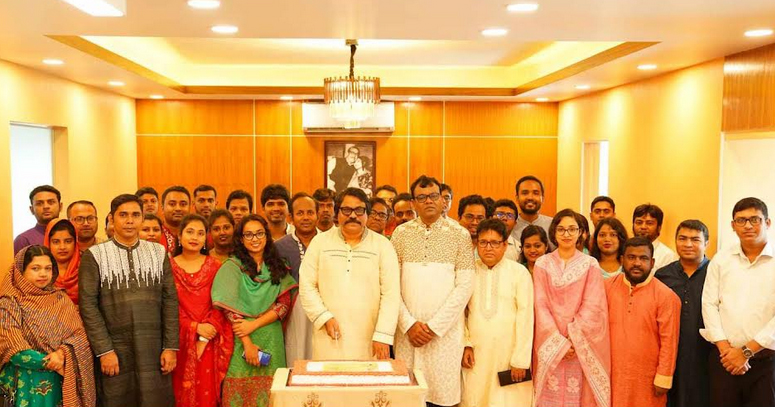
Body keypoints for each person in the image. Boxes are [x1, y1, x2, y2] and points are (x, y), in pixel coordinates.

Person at [78, 194, 179, 407]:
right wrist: (104, 351)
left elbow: (170, 300)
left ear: (142, 218)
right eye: (123, 215)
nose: (130, 221)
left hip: (154, 348)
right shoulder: (95, 255)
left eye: (135, 215)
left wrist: (170, 347)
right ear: (111, 219)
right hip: (115, 350)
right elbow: (88, 306)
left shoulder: (158, 252)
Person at [392, 175, 475, 407]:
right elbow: (390, 285)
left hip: (444, 336)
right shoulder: (400, 234)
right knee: (407, 397)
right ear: (413, 203)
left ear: (442, 200)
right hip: (407, 334)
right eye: (422, 197)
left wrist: (434, 327)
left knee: (441, 397)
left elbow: (465, 286)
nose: (428, 201)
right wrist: (409, 324)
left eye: (433, 196)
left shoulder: (459, 235)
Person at [300, 188, 400, 360]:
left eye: (359, 210)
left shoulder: (382, 246)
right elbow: (307, 285)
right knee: (329, 376)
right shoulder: (320, 242)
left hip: (370, 338)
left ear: (367, 214)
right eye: (346, 210)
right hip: (328, 336)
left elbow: (391, 294)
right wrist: (323, 317)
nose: (353, 215)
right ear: (337, 213)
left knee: (367, 377)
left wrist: (383, 334)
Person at [211, 214, 297, 407]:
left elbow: (283, 305)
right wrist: (247, 343)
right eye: (248, 235)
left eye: (259, 233)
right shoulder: (232, 267)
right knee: (239, 390)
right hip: (241, 338)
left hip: (271, 336)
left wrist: (254, 324)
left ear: (266, 236)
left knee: (272, 392)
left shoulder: (278, 266)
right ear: (241, 239)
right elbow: (229, 310)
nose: (255, 239)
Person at [0, 245, 96, 407]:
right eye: (35, 268)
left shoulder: (60, 299)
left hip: (59, 384)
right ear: (20, 271)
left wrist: (62, 353)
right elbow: (13, 347)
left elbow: (80, 336)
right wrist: (52, 363)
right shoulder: (9, 301)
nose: (43, 274)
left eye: (48, 268)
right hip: (24, 384)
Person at [701, 197, 775, 407]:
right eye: (741, 220)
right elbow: (709, 304)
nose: (748, 225)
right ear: (733, 226)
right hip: (725, 359)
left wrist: (746, 352)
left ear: (767, 223)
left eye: (754, 219)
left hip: (767, 361)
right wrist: (727, 350)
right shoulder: (721, 260)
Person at [533, 209, 611, 407]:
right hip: (550, 342)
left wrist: (573, 339)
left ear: (581, 232)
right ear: (554, 232)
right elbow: (540, 304)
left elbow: (593, 304)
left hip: (579, 344)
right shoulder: (542, 263)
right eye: (561, 229)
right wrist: (558, 342)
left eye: (572, 229)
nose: (566, 234)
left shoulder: (590, 264)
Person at [461, 219, 534, 407]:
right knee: (475, 399)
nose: (488, 248)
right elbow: (461, 313)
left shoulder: (519, 273)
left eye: (494, 243)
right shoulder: (468, 271)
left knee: (507, 401)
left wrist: (520, 360)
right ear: (476, 244)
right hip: (477, 353)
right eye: (483, 242)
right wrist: (465, 344)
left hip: (508, 355)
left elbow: (526, 317)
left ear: (504, 244)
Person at [605, 237, 681, 407]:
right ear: (622, 260)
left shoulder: (666, 296)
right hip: (612, 374)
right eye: (631, 257)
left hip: (647, 379)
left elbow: (669, 341)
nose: (637, 263)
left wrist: (664, 377)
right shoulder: (607, 287)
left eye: (643, 258)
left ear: (652, 262)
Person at [170, 214, 233, 407]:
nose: (195, 237)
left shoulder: (216, 266)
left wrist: (204, 337)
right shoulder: (168, 268)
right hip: (178, 342)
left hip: (210, 340)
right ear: (179, 236)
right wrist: (194, 328)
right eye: (190, 232)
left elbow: (222, 304)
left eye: (200, 233)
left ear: (206, 238)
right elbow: (167, 306)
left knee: (207, 395)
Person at [655, 220, 712, 407]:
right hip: (672, 353)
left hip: (707, 354)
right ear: (675, 241)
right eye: (682, 238)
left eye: (695, 239)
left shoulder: (715, 273)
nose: (688, 244)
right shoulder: (663, 275)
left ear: (706, 243)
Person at [275, 193, 319, 365]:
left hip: (326, 306)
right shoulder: (279, 247)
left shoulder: (329, 242)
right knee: (297, 352)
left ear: (317, 214)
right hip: (294, 311)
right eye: (300, 213)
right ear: (291, 218)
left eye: (310, 212)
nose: (306, 217)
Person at [14, 185, 62, 255]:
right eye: (39, 204)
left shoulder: (72, 234)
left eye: (51, 202)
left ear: (60, 206)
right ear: (32, 210)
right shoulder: (23, 240)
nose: (46, 206)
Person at [44, 219, 81, 305]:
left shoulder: (86, 269)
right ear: (48, 243)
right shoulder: (40, 271)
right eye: (56, 242)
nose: (62, 247)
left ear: (75, 242)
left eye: (68, 241)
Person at [633, 204, 678, 273]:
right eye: (639, 223)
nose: (643, 227)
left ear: (659, 228)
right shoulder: (625, 249)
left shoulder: (668, 256)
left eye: (649, 223)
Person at [511, 176, 553, 248]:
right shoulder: (510, 226)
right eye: (525, 193)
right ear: (517, 198)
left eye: (535, 193)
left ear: (542, 198)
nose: (530, 197)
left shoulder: (553, 225)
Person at [160, 186, 192, 255]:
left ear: (189, 208)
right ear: (162, 208)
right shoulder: (154, 233)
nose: (178, 208)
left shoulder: (196, 234)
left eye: (183, 204)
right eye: (172, 204)